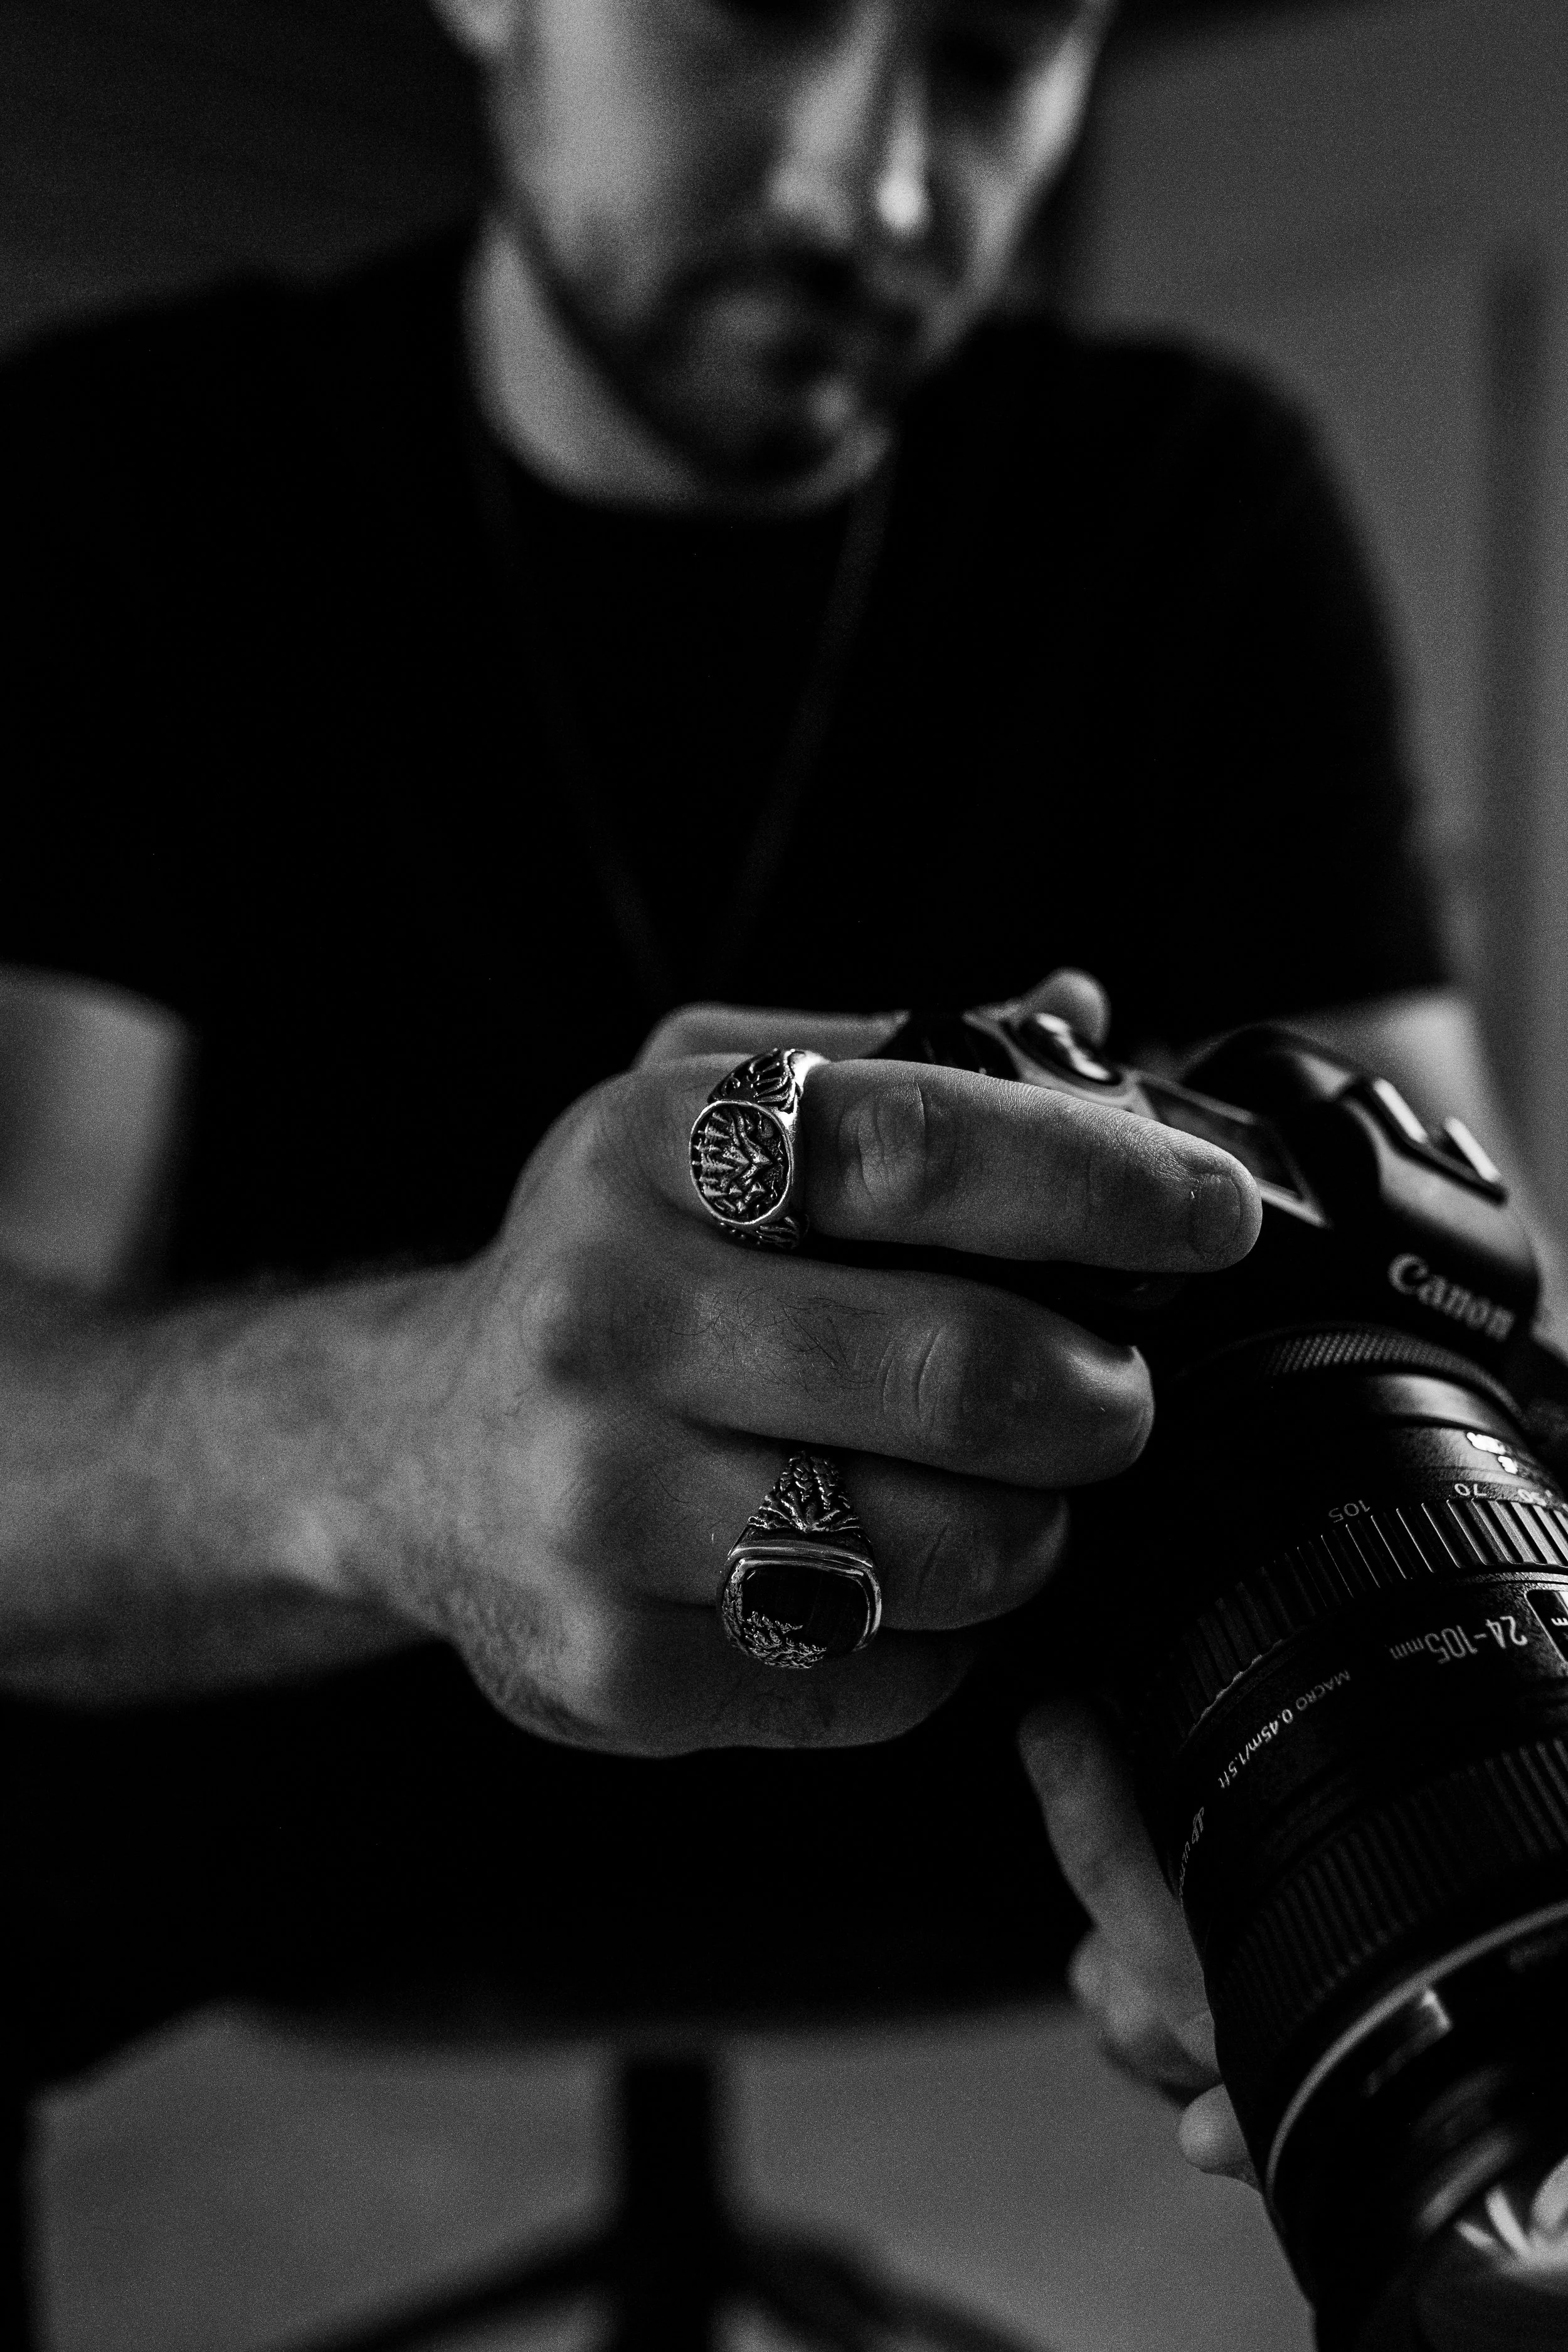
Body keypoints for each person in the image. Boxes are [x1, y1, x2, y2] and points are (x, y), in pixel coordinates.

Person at [2, 0, 1557, 2200]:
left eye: (994, 56)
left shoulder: (1186, 496)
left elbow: (1458, 1299)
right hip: (285, 1770)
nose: (877, 188)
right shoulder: (117, 472)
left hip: (1014, 1772)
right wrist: (393, 1430)